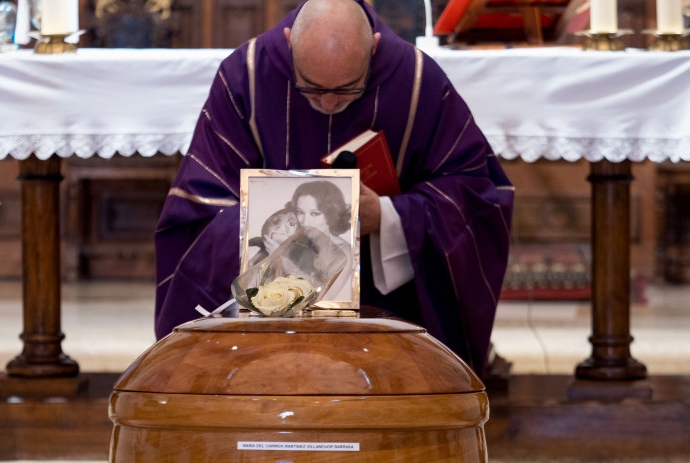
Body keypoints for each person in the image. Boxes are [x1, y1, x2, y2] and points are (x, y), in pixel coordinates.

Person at [155, 0, 514, 376]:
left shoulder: (417, 79)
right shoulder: (246, 74)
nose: (327, 103)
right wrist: (267, 227)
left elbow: (475, 194)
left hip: (388, 315)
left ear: (373, 48)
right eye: (310, 88)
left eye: (347, 90)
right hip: (261, 325)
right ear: (290, 41)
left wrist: (391, 217)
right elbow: (199, 203)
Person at [291, 180, 353, 301]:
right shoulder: (298, 244)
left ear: (331, 214)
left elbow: (320, 301)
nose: (305, 221)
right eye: (300, 212)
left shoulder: (344, 253)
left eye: (314, 213)